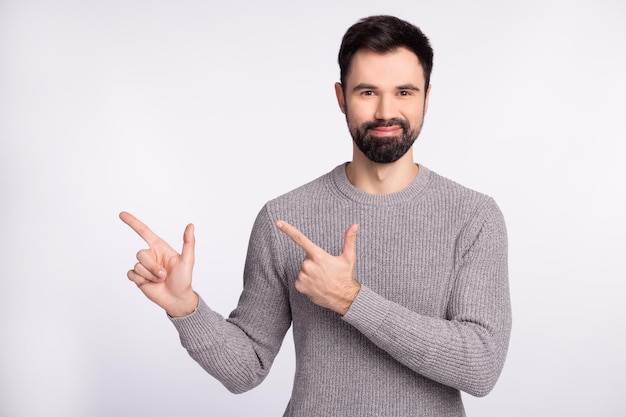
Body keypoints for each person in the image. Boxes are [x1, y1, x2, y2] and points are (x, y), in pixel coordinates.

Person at [120, 15, 512, 416]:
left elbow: (481, 367)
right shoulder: (285, 218)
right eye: (367, 92)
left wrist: (351, 300)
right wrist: (185, 306)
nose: (385, 111)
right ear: (341, 97)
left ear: (427, 97)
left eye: (404, 92)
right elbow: (246, 368)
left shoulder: (473, 218)